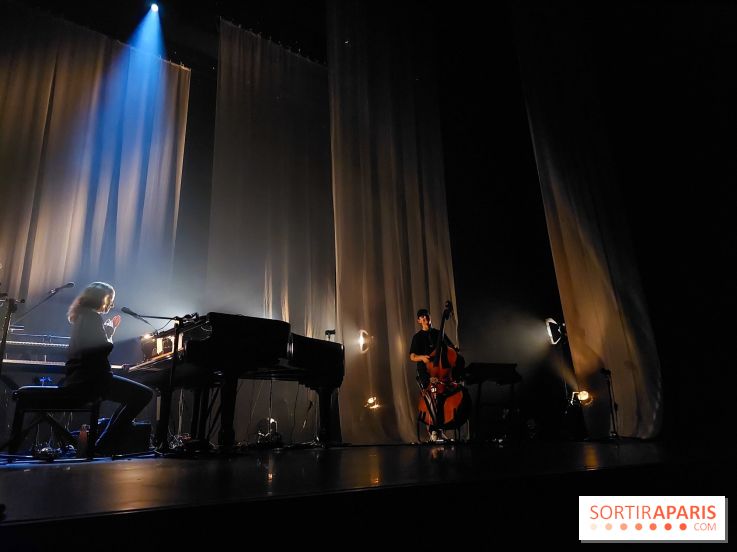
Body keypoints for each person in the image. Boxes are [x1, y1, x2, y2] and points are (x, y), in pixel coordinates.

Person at [62, 282, 153, 455]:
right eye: (110, 299)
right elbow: (103, 349)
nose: (111, 304)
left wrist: (107, 333)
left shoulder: (82, 316)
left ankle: (104, 444)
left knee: (132, 397)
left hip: (82, 379)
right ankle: (104, 445)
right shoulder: (92, 317)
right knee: (145, 395)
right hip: (93, 381)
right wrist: (109, 335)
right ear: (100, 298)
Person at [409, 308, 457, 441]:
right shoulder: (417, 337)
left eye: (427, 316)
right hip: (426, 372)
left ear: (430, 318)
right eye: (422, 318)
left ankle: (440, 429)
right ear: (419, 321)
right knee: (431, 399)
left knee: (441, 400)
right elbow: (412, 356)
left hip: (440, 372)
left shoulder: (438, 333)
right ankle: (433, 431)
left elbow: (450, 348)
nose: (425, 319)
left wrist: (454, 349)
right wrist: (422, 358)